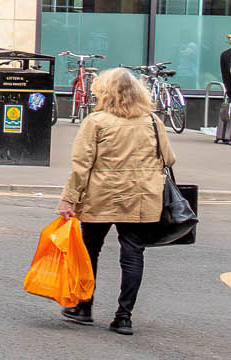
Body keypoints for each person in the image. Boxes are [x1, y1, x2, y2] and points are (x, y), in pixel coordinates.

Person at [55, 67, 177, 336]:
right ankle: (124, 317)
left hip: (102, 195)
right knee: (132, 254)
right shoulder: (153, 121)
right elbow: (168, 159)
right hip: (142, 196)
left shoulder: (96, 121)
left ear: (104, 92)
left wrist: (69, 200)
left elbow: (81, 166)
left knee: (90, 251)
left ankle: (83, 307)